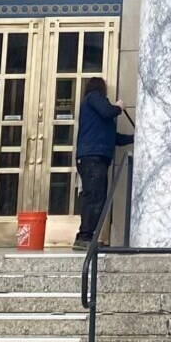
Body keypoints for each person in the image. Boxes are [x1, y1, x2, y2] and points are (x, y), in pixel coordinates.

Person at [73, 76, 132, 246]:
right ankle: (84, 237)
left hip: (95, 157)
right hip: (92, 157)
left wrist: (136, 137)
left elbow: (114, 138)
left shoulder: (95, 110)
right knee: (93, 197)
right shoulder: (94, 98)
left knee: (97, 197)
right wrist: (118, 107)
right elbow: (108, 111)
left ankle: (88, 236)